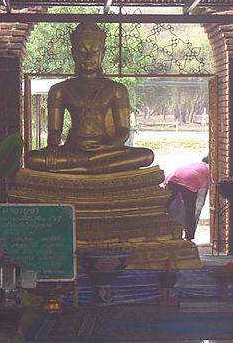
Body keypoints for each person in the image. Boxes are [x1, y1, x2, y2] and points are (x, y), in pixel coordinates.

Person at [24, 23, 154, 174]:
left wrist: (109, 146)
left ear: (102, 54)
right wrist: (53, 148)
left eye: (95, 52)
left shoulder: (117, 89)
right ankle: (91, 165)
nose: (88, 57)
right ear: (74, 54)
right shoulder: (59, 90)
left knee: (147, 155)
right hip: (73, 151)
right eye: (82, 52)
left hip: (106, 151)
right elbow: (54, 131)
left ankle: (80, 168)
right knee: (31, 158)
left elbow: (123, 130)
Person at [164, 156, 209, 242]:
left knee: (165, 205)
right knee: (190, 211)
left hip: (174, 176)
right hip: (190, 181)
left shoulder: (196, 163)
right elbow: (202, 195)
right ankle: (189, 237)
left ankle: (160, 230)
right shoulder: (209, 169)